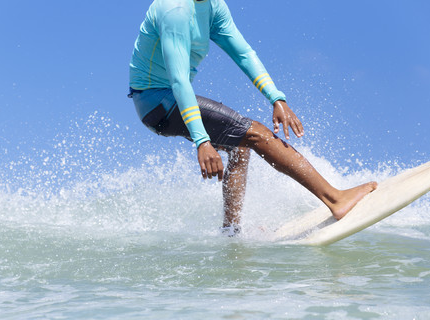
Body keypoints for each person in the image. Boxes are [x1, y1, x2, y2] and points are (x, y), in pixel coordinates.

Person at [128, 0, 377, 235]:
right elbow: (178, 80)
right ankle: (335, 199)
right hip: (158, 101)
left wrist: (276, 98)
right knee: (256, 133)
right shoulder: (175, 10)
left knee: (240, 147)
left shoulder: (212, 6)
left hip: (164, 101)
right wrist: (202, 140)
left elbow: (243, 53)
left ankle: (231, 232)